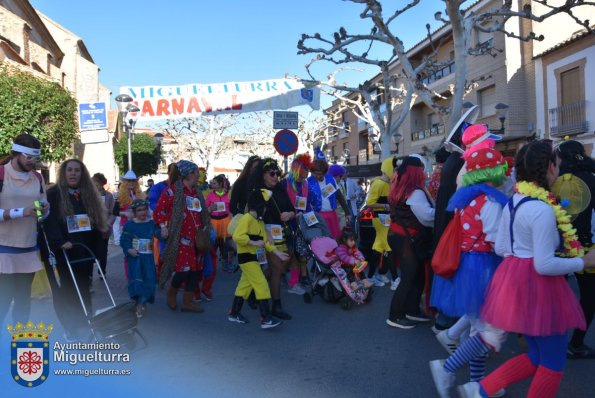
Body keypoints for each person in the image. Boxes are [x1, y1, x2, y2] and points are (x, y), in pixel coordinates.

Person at [458, 140, 595, 398]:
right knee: (552, 364)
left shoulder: (514, 201)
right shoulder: (542, 209)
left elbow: (501, 246)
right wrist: (583, 261)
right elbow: (544, 265)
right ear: (549, 169)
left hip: (517, 282)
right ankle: (481, 391)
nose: (559, 168)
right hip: (540, 288)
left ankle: (481, 390)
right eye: (556, 163)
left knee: (536, 357)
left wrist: (526, 253)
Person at [429, 148, 509, 398]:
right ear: (494, 171)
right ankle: (447, 368)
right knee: (488, 331)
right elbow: (498, 242)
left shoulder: (467, 199)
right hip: (485, 266)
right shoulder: (491, 202)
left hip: (468, 266)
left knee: (478, 326)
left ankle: (477, 383)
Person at [42, 159, 108, 339]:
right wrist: (59, 241)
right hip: (60, 250)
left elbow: (94, 222)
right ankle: (69, 325)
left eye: (77, 170)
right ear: (63, 173)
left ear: (82, 173)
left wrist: (98, 248)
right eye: (69, 170)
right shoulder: (53, 194)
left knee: (83, 286)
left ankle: (85, 319)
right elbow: (48, 220)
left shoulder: (88, 193)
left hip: (82, 249)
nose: (73, 173)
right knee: (65, 289)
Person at [0, 133, 49, 324]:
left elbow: (42, 212)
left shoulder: (37, 177)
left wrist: (44, 210)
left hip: (28, 248)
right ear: (17, 154)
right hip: (3, 249)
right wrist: (20, 212)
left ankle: (18, 344)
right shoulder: (1, 174)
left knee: (23, 304)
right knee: (3, 302)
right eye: (29, 157)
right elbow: (24, 212)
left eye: (35, 157)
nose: (33, 161)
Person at [154, 160, 210, 313]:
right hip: (180, 237)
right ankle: (171, 294)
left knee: (195, 271)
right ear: (187, 174)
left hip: (197, 238)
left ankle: (187, 302)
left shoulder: (196, 192)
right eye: (195, 173)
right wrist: (163, 226)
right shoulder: (172, 190)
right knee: (183, 270)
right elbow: (160, 210)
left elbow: (202, 213)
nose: (198, 175)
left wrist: (206, 226)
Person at [227, 189, 289, 329]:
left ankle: (234, 313)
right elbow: (238, 236)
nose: (266, 209)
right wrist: (253, 243)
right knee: (261, 284)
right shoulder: (247, 219)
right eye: (265, 206)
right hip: (247, 258)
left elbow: (266, 242)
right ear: (259, 205)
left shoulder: (259, 221)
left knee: (244, 287)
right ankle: (265, 318)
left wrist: (278, 254)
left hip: (255, 258)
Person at [386, 155, 434, 329]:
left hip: (399, 236)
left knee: (416, 275)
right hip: (408, 239)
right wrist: (443, 214)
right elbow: (427, 217)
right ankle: (395, 315)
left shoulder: (400, 187)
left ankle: (411, 310)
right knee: (408, 278)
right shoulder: (415, 192)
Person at [557, 139, 595, 358]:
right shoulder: (590, 179)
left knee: (554, 295)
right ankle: (577, 342)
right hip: (584, 246)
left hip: (558, 245)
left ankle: (551, 339)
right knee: (589, 297)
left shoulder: (554, 180)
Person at [248, 158, 295, 320]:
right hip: (263, 236)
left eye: (277, 173)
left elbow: (292, 209)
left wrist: (289, 214)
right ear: (263, 176)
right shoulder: (256, 193)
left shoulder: (281, 188)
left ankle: (253, 291)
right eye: (272, 174)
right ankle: (276, 305)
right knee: (276, 269)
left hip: (281, 234)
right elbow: (254, 217)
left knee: (275, 270)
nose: (275, 176)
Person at [120, 199, 157, 318]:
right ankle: (138, 304)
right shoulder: (130, 224)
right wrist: (129, 249)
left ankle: (143, 301)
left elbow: (159, 234)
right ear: (135, 212)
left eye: (144, 209)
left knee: (149, 280)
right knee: (137, 280)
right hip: (135, 258)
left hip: (148, 259)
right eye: (139, 210)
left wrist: (164, 232)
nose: (143, 212)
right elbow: (124, 240)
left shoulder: (151, 223)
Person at [283, 153, 313, 295]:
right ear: (298, 168)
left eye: (308, 168)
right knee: (292, 255)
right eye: (305, 168)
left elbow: (307, 204)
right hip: (287, 225)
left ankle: (298, 280)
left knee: (301, 254)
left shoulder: (306, 184)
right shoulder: (286, 183)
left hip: (301, 224)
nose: (308, 171)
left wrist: (310, 217)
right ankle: (293, 283)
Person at [365, 157, 397, 288]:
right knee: (389, 247)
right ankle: (396, 279)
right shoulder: (378, 183)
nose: (395, 171)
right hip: (380, 219)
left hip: (385, 218)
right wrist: (385, 207)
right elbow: (369, 203)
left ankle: (371, 276)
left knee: (378, 248)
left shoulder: (388, 183)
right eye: (394, 169)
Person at [307, 156, 351, 239]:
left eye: (320, 174)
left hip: (332, 215)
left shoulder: (331, 179)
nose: (317, 176)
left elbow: (339, 196)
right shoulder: (308, 182)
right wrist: (310, 222)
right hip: (318, 216)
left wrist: (347, 212)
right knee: (321, 242)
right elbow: (306, 203)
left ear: (324, 172)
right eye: (315, 174)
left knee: (335, 240)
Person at [206, 174, 233, 272]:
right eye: (212, 183)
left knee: (225, 245)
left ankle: (225, 264)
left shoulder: (228, 195)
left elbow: (230, 208)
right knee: (213, 245)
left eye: (214, 183)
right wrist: (209, 209)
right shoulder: (210, 195)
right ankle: (210, 265)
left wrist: (231, 215)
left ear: (221, 184)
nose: (212, 184)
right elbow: (205, 209)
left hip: (225, 222)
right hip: (213, 222)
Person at [92, 173, 116, 277]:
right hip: (92, 228)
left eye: (97, 183)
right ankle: (89, 274)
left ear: (102, 184)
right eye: (93, 184)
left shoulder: (109, 196)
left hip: (104, 227)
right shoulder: (89, 196)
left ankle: (102, 271)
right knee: (92, 250)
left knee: (103, 250)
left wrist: (108, 223)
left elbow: (113, 212)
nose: (95, 186)